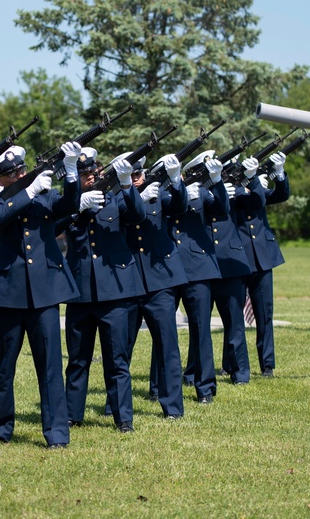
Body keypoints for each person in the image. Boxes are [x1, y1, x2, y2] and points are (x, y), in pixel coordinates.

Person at [0, 142, 81, 449]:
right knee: (3, 367)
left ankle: (56, 433)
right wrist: (27, 193)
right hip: (8, 292)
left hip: (44, 292)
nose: (22, 175)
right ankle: (0, 427)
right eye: (14, 173)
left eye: (23, 170)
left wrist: (70, 170)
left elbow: (69, 206)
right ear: (0, 179)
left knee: (50, 366)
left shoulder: (46, 195)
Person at [62, 148, 145, 433]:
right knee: (77, 359)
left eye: (94, 173)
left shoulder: (114, 199)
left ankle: (123, 418)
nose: (91, 178)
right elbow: (54, 226)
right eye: (85, 175)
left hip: (115, 292)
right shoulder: (68, 203)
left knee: (117, 358)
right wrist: (77, 206)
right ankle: (72, 414)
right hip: (80, 292)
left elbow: (138, 214)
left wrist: (125, 184)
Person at [123, 154, 188, 420]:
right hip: (128, 281)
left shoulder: (158, 192)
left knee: (167, 345)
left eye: (140, 175)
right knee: (121, 347)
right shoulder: (119, 196)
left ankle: (172, 406)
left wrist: (175, 181)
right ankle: (116, 403)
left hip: (160, 279)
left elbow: (179, 207)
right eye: (133, 176)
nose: (138, 180)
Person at [231, 154, 289, 377]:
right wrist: (251, 183)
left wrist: (279, 172)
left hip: (263, 257)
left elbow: (281, 194)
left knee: (265, 313)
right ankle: (234, 363)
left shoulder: (256, 187)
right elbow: (251, 200)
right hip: (239, 258)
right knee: (234, 315)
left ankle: (267, 364)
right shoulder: (232, 191)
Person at [175, 150, 224, 404]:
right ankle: (159, 385)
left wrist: (217, 183)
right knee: (164, 333)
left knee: (202, 330)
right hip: (168, 268)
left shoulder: (201, 192)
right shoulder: (162, 190)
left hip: (197, 268)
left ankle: (205, 387)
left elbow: (222, 210)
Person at [206, 155, 258, 386]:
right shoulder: (197, 193)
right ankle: (195, 372)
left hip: (231, 264)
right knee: (200, 327)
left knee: (235, 323)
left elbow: (257, 203)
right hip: (204, 266)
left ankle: (240, 372)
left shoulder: (235, 191)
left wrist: (251, 179)